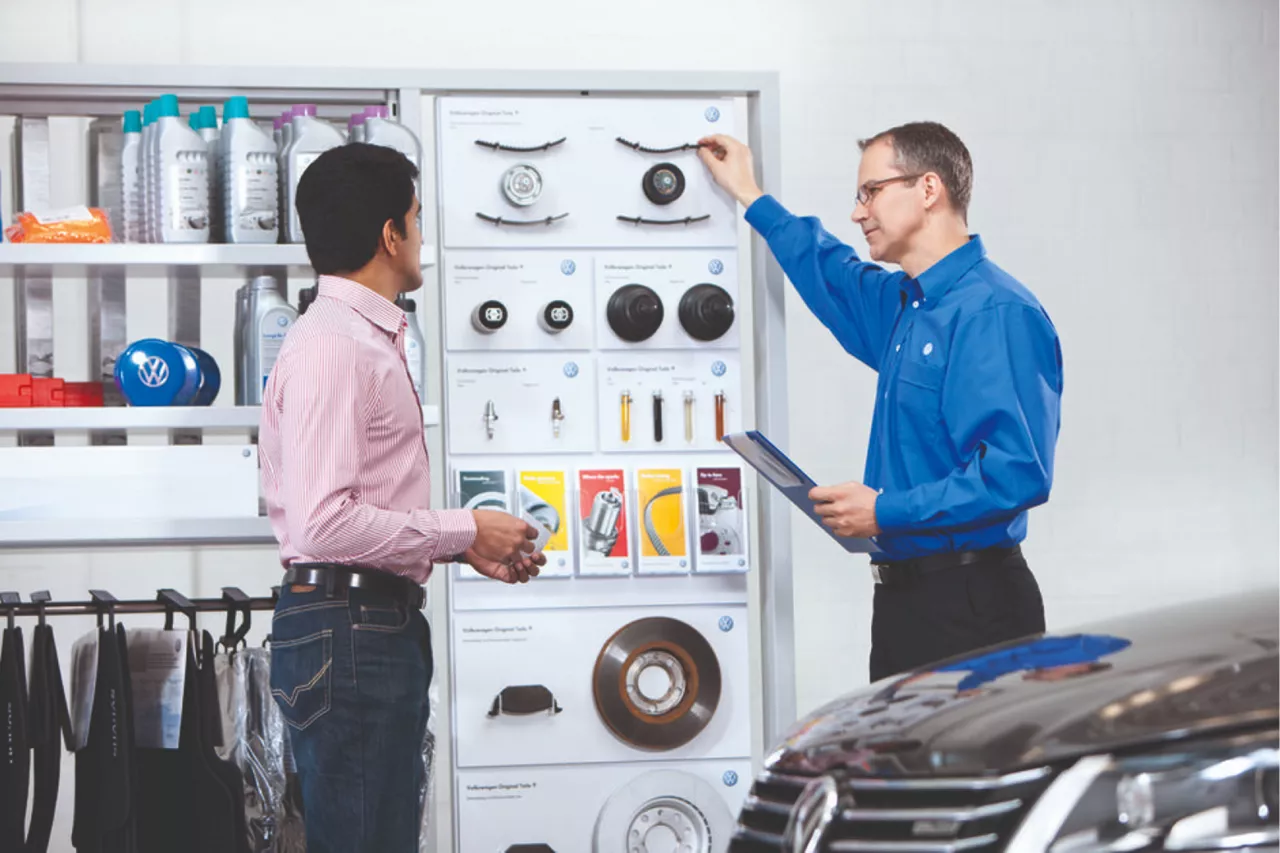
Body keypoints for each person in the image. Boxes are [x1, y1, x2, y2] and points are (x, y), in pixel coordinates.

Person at [698, 123, 1063, 682]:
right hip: (902, 605)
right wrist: (750, 193)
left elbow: (1016, 475)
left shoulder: (994, 312)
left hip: (972, 607)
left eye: (871, 191)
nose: (858, 211)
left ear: (928, 189)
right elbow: (831, 272)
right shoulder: (906, 307)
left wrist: (883, 511)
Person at [258, 143, 544, 853]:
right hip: (351, 628)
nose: (421, 236)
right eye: (416, 218)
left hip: (361, 622)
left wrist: (464, 542)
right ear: (391, 234)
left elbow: (353, 506)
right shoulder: (337, 345)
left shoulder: (357, 337)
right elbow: (326, 520)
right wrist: (460, 525)